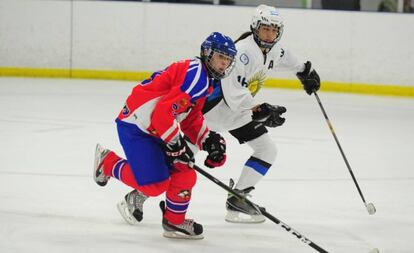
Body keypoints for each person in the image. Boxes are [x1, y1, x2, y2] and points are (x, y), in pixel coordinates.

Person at [93, 32, 237, 239]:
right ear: (207, 53)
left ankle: (174, 221)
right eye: (220, 57)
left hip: (155, 128)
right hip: (136, 126)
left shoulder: (206, 80)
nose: (224, 64)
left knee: (185, 172)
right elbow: (162, 114)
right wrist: (176, 145)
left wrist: (207, 140)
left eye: (228, 59)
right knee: (154, 185)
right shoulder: (197, 76)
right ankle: (108, 163)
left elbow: (190, 117)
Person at [194, 5, 320, 223]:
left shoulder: (274, 50)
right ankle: (138, 194)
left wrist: (304, 70)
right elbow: (233, 94)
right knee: (181, 158)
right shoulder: (241, 51)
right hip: (212, 113)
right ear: (255, 28)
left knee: (267, 149)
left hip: (238, 114)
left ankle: (237, 199)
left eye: (274, 30)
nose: (270, 35)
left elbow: (286, 57)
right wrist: (261, 110)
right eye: (265, 29)